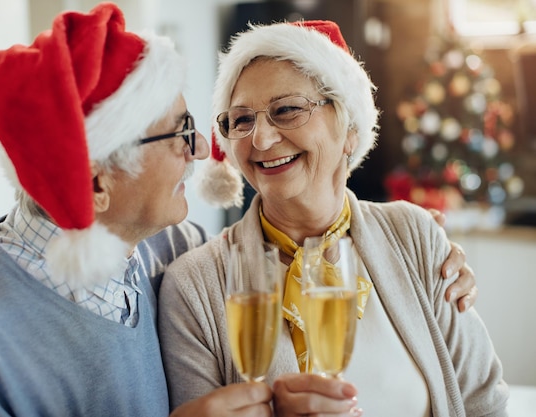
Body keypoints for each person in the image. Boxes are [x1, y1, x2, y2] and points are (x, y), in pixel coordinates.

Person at [0, 4, 477, 417]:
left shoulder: (161, 249)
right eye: (184, 132)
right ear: (94, 182)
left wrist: (425, 245)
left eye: (286, 110)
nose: (209, 148)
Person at [158, 20, 509, 416]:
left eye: (286, 110)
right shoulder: (193, 286)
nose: (261, 139)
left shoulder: (416, 234)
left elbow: (483, 401)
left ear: (350, 131)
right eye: (241, 120)